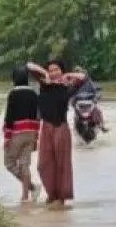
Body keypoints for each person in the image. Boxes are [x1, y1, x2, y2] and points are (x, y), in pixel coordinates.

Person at [27, 59, 86, 208]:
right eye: (51, 69)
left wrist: (66, 76)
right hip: (46, 127)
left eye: (56, 69)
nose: (53, 72)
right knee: (43, 164)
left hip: (61, 127)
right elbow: (29, 66)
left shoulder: (68, 87)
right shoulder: (44, 84)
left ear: (62, 70)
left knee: (62, 164)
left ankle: (61, 197)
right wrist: (46, 74)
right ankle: (51, 194)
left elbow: (83, 78)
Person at [3, 65, 41, 202]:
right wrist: (36, 136)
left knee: (9, 163)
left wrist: (7, 136)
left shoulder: (13, 94)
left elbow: (9, 116)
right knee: (25, 164)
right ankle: (26, 196)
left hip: (17, 132)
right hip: (31, 131)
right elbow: (37, 116)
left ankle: (31, 187)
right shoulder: (34, 94)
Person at [71, 66, 108, 133]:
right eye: (76, 73)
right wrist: (72, 100)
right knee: (76, 114)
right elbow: (70, 93)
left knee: (98, 111)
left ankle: (102, 126)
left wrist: (96, 97)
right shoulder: (73, 83)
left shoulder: (88, 81)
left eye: (79, 72)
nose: (78, 75)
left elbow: (95, 90)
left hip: (89, 102)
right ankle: (76, 128)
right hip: (78, 103)